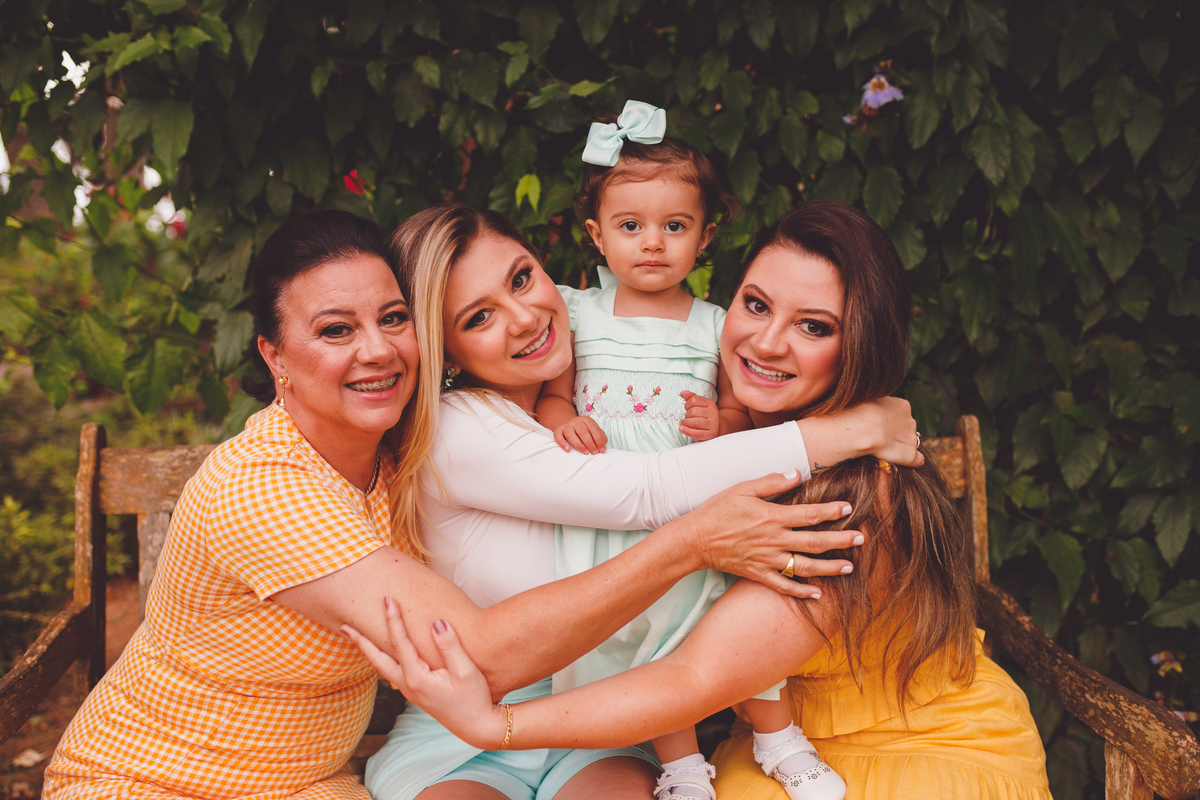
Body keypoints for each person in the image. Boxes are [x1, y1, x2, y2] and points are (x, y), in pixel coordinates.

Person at [41, 209, 905, 800]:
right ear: (274, 356)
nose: (377, 351)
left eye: (390, 320)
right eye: (335, 331)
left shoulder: (395, 455)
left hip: (309, 782)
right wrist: (726, 519)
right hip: (157, 781)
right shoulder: (274, 483)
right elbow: (481, 650)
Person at [347, 203, 1053, 800]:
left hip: (857, 749)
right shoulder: (470, 428)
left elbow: (696, 673)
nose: (526, 316)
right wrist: (844, 427)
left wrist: (495, 724)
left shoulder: (853, 489)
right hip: (695, 740)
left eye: (815, 326)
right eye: (755, 305)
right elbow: (647, 495)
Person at [533, 101, 830, 800]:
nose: (652, 244)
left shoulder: (717, 324)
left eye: (675, 226)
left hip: (693, 510)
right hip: (606, 514)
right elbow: (552, 394)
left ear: (705, 236)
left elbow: (739, 416)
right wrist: (560, 420)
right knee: (640, 637)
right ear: (596, 236)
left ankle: (778, 736)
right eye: (630, 226)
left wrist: (718, 423)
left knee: (716, 620)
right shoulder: (577, 313)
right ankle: (682, 765)